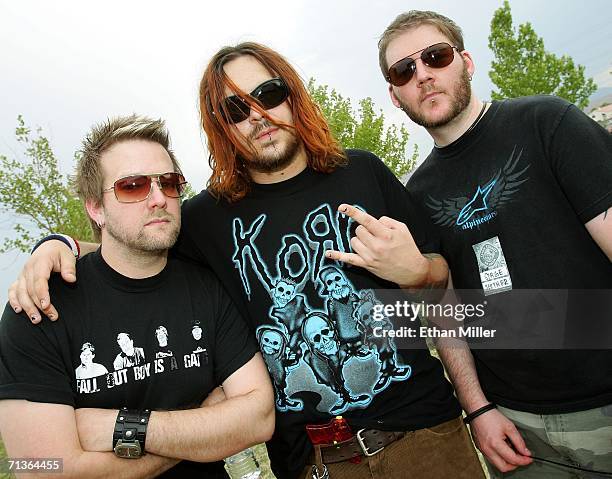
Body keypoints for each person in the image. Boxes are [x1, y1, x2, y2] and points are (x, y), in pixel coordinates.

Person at [7, 44, 485, 478]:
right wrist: (57, 246)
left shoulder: (361, 171)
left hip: (427, 439)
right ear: (223, 126)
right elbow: (133, 245)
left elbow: (440, 284)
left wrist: (422, 274)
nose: (258, 115)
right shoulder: (204, 218)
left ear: (292, 96)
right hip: (313, 462)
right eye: (237, 108)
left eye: (269, 94)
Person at [357, 9, 612, 478]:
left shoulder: (546, 123)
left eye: (436, 56)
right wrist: (477, 410)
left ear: (466, 62)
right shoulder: (416, 195)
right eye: (404, 70)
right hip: (517, 427)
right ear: (395, 95)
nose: (424, 75)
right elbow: (446, 307)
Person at [0, 114, 274, 478]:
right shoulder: (39, 306)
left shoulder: (205, 288)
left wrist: (122, 427)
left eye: (170, 183)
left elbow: (258, 417)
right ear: (95, 207)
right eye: (133, 186)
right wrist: (199, 431)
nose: (159, 199)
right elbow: (42, 470)